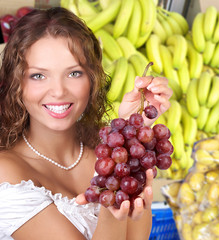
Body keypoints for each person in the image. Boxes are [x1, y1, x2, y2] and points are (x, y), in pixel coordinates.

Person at [0, 7, 172, 240]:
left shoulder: (106, 155)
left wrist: (133, 129)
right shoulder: (7, 173)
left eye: (74, 74)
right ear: (15, 83)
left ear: (92, 79)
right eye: (38, 76)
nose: (59, 91)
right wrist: (111, 211)